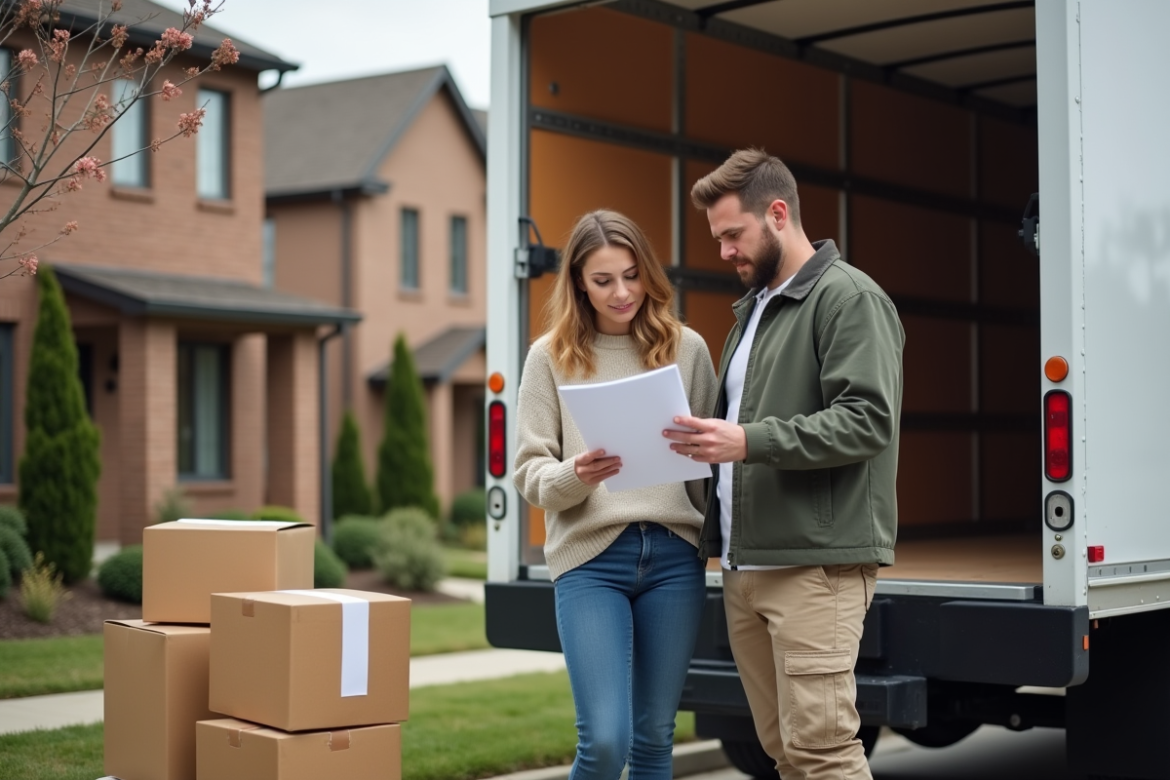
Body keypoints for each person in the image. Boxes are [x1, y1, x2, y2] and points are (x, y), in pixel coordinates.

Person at [664, 149, 904, 780]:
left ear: (778, 214)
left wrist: (747, 441)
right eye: (717, 239)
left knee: (824, 754)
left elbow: (867, 421)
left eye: (732, 235)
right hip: (747, 568)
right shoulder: (755, 312)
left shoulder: (849, 298)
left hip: (813, 567)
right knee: (785, 756)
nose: (723, 252)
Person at [513, 210, 719, 780]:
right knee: (605, 742)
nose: (622, 292)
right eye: (603, 280)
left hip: (675, 557)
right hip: (590, 560)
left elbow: (711, 463)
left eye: (632, 275)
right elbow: (530, 474)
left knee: (654, 740)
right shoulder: (549, 357)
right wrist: (577, 474)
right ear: (578, 280)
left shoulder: (688, 350)